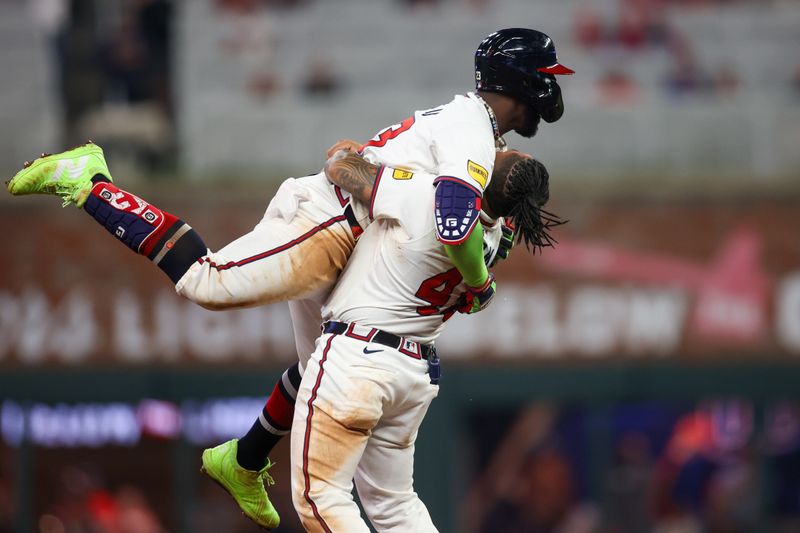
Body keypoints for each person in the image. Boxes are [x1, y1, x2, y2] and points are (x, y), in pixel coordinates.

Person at [6, 26, 572, 529]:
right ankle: (89, 181)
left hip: (363, 236)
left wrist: (364, 162)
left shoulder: (478, 138)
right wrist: (478, 284)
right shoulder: (474, 139)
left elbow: (356, 164)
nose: (551, 88)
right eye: (545, 75)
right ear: (521, 79)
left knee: (320, 366)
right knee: (209, 284)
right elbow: (445, 216)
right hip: (333, 220)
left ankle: (245, 459)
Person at [290, 148, 559, 531]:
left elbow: (339, 167)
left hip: (360, 355)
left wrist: (361, 154)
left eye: (500, 154)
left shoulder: (428, 199)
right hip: (412, 369)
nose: (489, 148)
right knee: (395, 506)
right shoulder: (495, 238)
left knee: (320, 495)